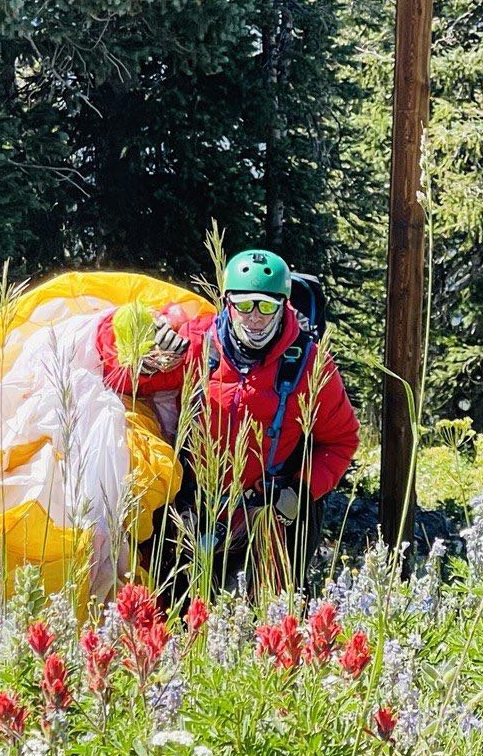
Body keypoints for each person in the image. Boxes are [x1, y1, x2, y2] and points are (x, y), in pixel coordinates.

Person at [96, 249, 359, 593]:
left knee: (264, 617)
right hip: (191, 506)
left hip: (265, 514)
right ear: (226, 302)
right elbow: (120, 381)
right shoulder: (195, 341)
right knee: (175, 610)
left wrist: (302, 490)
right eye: (244, 304)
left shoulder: (309, 365)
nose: (254, 318)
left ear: (283, 305)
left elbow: (341, 440)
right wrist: (152, 361)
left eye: (266, 306)